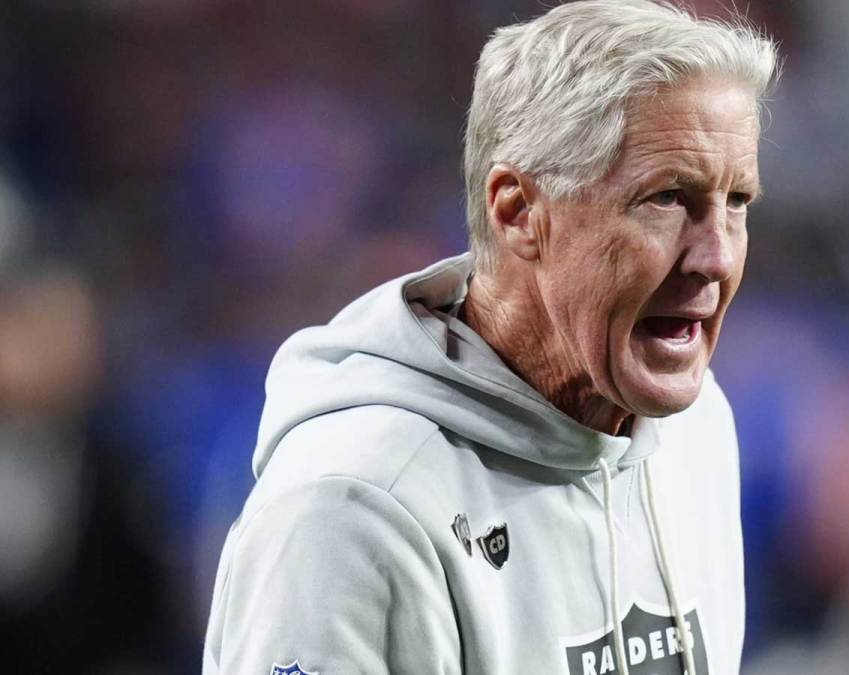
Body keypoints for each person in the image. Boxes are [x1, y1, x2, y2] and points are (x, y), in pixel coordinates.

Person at [202, 1, 777, 673]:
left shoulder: (697, 429)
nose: (717, 257)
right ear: (519, 213)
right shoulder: (349, 508)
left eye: (736, 202)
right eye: (667, 199)